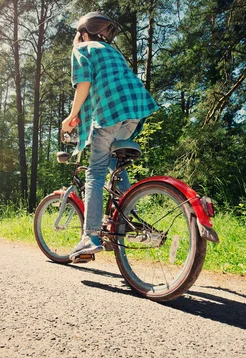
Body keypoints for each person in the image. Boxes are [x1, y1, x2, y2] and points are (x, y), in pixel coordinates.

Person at [61, 12, 159, 261]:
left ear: (83, 32)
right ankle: (124, 219)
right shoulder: (111, 51)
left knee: (95, 171)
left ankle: (90, 237)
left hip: (112, 112)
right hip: (134, 110)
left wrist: (71, 116)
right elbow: (110, 84)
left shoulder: (83, 49)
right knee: (115, 163)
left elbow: (84, 84)